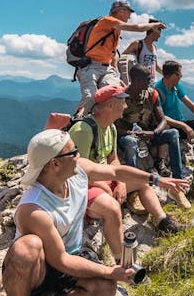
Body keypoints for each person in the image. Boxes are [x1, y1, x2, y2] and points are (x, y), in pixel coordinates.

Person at [0, 129, 190, 296]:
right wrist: (110, 271)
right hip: (39, 268)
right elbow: (61, 260)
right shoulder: (34, 208)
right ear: (55, 164)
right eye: (73, 152)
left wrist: (157, 180)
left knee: (105, 291)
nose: (78, 156)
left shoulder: (78, 172)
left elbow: (116, 171)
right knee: (26, 247)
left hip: (73, 255)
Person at [69, 84, 185, 234]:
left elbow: (113, 159)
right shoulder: (83, 130)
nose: (125, 106)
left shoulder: (110, 128)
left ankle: (163, 222)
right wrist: (105, 188)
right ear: (110, 105)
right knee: (110, 205)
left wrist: (121, 182)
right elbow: (76, 171)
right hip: (84, 186)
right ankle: (119, 251)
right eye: (122, 102)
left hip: (103, 178)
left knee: (143, 183)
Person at [75, 0, 165, 115]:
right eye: (128, 12)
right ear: (121, 11)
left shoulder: (116, 30)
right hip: (91, 66)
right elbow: (137, 27)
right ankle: (76, 123)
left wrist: (116, 76)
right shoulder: (107, 21)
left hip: (106, 68)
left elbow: (113, 54)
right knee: (90, 97)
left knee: (117, 95)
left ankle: (104, 125)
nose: (129, 16)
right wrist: (155, 25)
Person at [116, 65, 187, 184]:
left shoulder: (152, 95)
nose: (151, 81)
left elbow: (163, 120)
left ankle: (178, 180)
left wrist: (153, 133)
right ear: (137, 80)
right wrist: (130, 133)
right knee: (130, 141)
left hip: (148, 136)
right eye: (148, 79)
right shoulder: (121, 97)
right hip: (126, 137)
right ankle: (134, 186)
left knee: (173, 133)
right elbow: (113, 126)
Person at [154, 60, 194, 177]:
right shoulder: (157, 90)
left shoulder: (176, 87)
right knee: (166, 126)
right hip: (168, 124)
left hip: (180, 123)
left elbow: (188, 102)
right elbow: (161, 116)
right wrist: (183, 126)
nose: (181, 77)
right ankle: (160, 162)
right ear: (173, 75)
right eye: (180, 74)